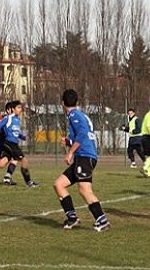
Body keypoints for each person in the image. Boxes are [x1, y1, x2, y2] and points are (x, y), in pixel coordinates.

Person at [53, 89, 110, 232]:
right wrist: (68, 141)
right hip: (83, 156)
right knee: (59, 184)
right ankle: (72, 218)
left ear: (62, 103)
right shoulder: (79, 115)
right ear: (77, 102)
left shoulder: (74, 115)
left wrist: (70, 153)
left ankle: (102, 220)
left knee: (84, 189)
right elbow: (82, 135)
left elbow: (83, 134)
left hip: (85, 156)